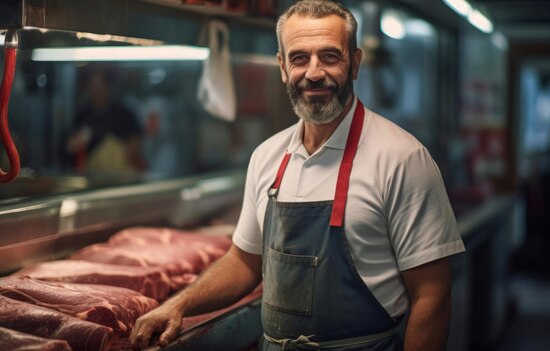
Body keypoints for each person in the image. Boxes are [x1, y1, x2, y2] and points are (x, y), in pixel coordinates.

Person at [130, 1, 465, 350]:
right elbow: (244, 261)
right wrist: (178, 305)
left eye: (330, 57)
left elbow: (432, 295)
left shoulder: (402, 159)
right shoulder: (267, 157)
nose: (314, 72)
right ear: (282, 66)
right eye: (300, 58)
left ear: (355, 63)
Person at [65, 67, 145, 174]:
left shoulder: (124, 114)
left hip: (122, 177)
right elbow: (68, 146)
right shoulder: (82, 116)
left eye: (99, 85)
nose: (96, 90)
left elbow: (135, 143)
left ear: (108, 87)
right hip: (90, 176)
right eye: (92, 85)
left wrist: (130, 152)